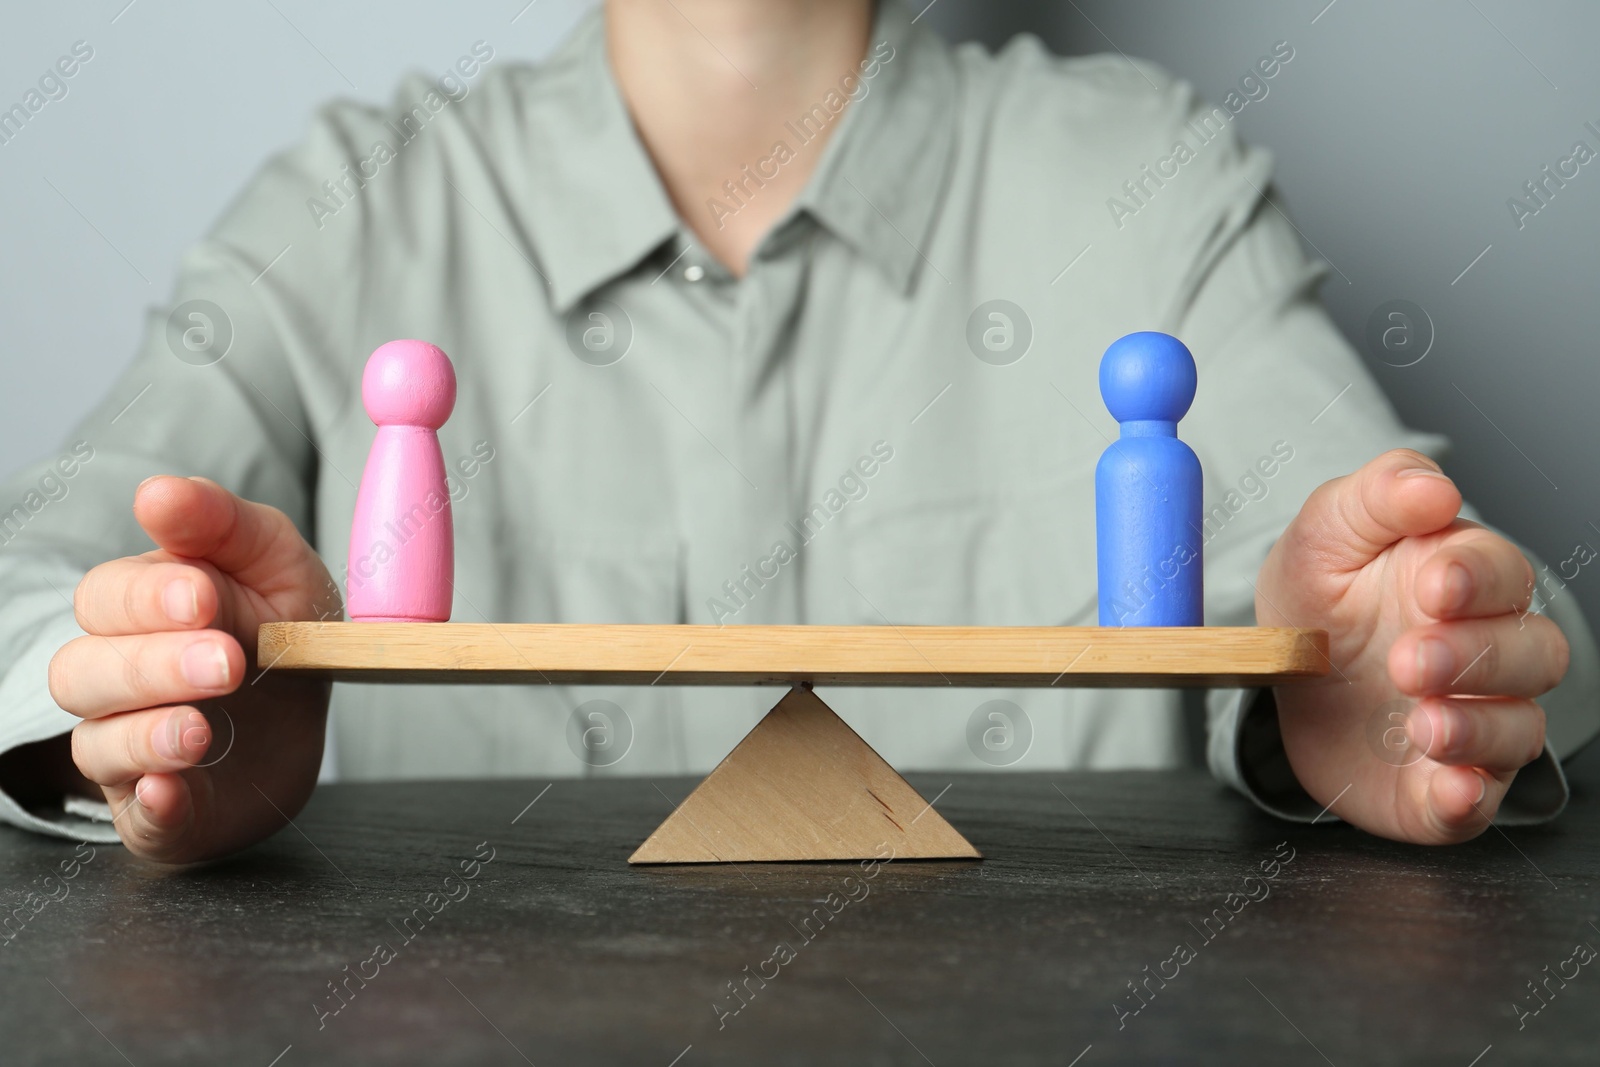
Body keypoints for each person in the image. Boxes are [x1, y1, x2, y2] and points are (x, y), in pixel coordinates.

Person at [0, 0, 1591, 864]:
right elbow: (37, 590)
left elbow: (1437, 590)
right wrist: (161, 690)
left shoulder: (1148, 184)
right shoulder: (348, 211)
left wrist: (1393, 673)